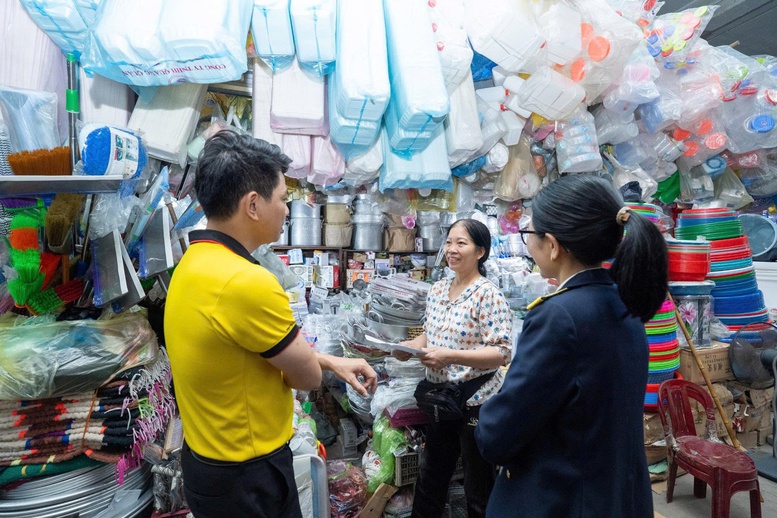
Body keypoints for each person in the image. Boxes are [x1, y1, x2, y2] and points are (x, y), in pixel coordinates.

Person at [165, 130, 377, 518]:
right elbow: (306, 379)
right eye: (282, 199)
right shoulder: (248, 282)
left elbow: (253, 351)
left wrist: (331, 361)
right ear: (252, 205)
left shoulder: (193, 263)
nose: (287, 210)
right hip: (247, 478)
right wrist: (319, 366)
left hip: (207, 464)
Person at [475, 174, 667, 518]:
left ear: (552, 244)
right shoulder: (624, 303)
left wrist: (489, 407)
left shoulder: (559, 315)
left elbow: (498, 435)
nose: (529, 244)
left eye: (529, 234)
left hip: (560, 499)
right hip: (615, 496)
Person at [395, 219, 513, 518]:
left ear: (480, 252)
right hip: (440, 397)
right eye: (449, 242)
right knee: (431, 476)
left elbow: (501, 352)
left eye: (461, 243)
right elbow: (429, 332)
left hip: (476, 401)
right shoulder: (437, 289)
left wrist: (450, 356)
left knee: (478, 486)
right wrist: (407, 348)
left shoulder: (487, 294)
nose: (452, 249)